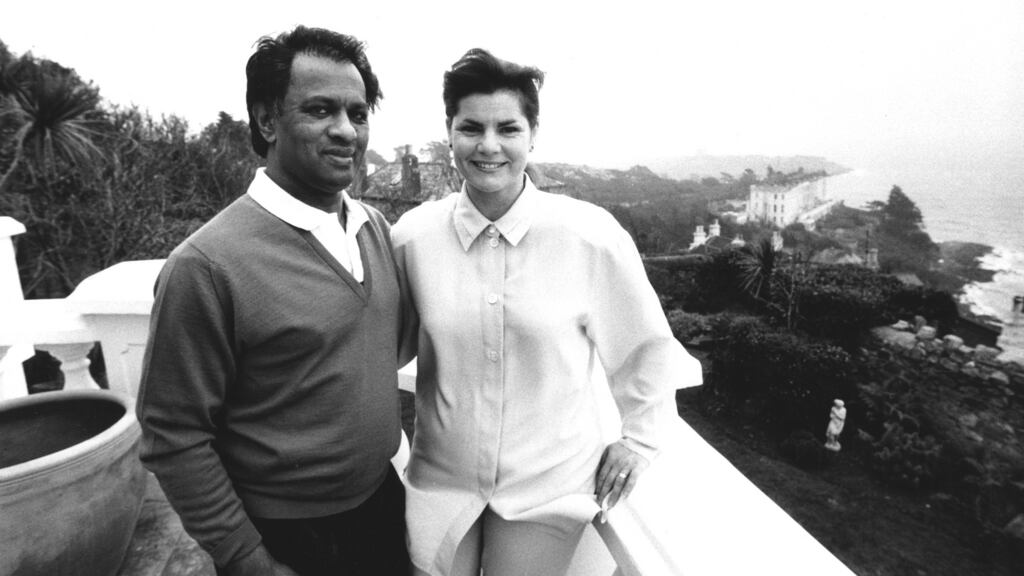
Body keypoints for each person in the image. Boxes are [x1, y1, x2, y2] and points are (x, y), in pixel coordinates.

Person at [392, 48, 701, 576]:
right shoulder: (414, 237)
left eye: (508, 128)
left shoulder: (589, 234)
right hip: (442, 477)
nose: (489, 146)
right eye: (471, 127)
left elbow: (644, 347)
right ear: (449, 134)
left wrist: (639, 440)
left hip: (549, 484)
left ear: (533, 135)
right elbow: (380, 348)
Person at [136, 26, 408, 576]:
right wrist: (245, 558)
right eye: (320, 110)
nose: (345, 131)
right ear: (266, 121)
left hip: (381, 503)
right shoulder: (207, 266)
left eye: (358, 113)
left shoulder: (372, 227)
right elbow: (174, 435)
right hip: (289, 534)